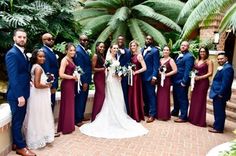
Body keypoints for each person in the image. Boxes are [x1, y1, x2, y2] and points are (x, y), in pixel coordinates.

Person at [79, 44, 148, 139]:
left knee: (118, 97)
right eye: (114, 48)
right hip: (111, 81)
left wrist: (120, 73)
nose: (115, 49)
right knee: (112, 97)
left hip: (117, 80)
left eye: (116, 48)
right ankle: (112, 117)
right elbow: (106, 70)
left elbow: (115, 69)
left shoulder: (115, 57)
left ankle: (119, 115)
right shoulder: (108, 57)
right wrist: (113, 73)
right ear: (110, 49)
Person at [5, 28, 36, 156]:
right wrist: (19, 96)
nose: (22, 39)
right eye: (19, 37)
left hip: (24, 90)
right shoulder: (12, 53)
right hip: (17, 94)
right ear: (14, 38)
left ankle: (16, 143)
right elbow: (13, 77)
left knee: (20, 120)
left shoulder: (22, 52)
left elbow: (22, 72)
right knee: (18, 121)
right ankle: (21, 148)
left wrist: (28, 80)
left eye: (24, 37)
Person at [23, 49, 54, 149]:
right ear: (35, 57)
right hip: (39, 95)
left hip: (36, 94)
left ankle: (37, 136)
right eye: (40, 56)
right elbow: (37, 85)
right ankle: (37, 138)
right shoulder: (38, 68)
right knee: (39, 116)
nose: (43, 58)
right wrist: (47, 85)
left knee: (36, 116)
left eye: (44, 56)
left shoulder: (34, 66)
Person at [208, 53, 234, 133]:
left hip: (220, 94)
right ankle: (217, 124)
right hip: (217, 92)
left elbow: (226, 83)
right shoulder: (224, 67)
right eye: (218, 59)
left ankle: (218, 128)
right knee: (217, 110)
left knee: (220, 111)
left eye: (221, 58)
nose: (219, 60)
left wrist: (220, 93)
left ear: (226, 58)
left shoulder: (228, 68)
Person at [189, 47, 213, 127]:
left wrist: (200, 77)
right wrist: (192, 75)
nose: (202, 53)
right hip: (195, 82)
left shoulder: (209, 62)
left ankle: (199, 120)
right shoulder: (196, 60)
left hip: (203, 83)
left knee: (200, 100)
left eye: (204, 52)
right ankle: (192, 118)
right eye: (201, 51)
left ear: (206, 52)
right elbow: (193, 70)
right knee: (194, 99)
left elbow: (210, 73)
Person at [171, 41, 194, 122]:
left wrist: (184, 81)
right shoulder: (178, 55)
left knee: (183, 98)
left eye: (185, 45)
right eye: (182, 45)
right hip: (175, 80)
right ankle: (175, 111)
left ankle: (183, 116)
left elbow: (187, 71)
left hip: (181, 81)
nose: (183, 46)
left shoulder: (189, 57)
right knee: (176, 97)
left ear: (188, 47)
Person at [57, 43, 77, 134]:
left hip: (71, 84)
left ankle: (68, 125)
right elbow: (61, 74)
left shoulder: (71, 59)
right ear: (66, 51)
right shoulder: (64, 60)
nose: (72, 52)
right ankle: (66, 127)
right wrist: (72, 77)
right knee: (67, 104)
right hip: (67, 84)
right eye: (70, 50)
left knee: (70, 104)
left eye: (74, 50)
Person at [74, 35, 92, 127]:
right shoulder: (79, 51)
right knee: (80, 99)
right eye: (83, 40)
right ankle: (77, 119)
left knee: (84, 98)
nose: (85, 41)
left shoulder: (83, 50)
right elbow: (80, 68)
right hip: (82, 80)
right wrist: (84, 81)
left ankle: (81, 115)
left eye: (86, 40)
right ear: (79, 40)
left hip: (87, 79)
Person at [141, 35, 159, 123]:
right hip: (142, 77)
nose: (148, 40)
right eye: (147, 39)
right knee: (145, 96)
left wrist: (154, 77)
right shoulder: (141, 50)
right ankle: (146, 111)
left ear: (152, 41)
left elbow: (156, 65)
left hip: (150, 77)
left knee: (151, 96)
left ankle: (152, 115)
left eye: (150, 39)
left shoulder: (155, 51)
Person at [156, 46, 177, 121]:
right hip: (159, 80)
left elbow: (175, 70)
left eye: (167, 50)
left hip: (166, 80)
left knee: (165, 97)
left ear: (169, 52)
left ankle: (164, 115)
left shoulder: (171, 60)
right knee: (159, 96)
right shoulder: (160, 59)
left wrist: (166, 75)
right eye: (164, 50)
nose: (165, 51)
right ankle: (159, 114)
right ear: (162, 51)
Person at [128, 40, 147, 122]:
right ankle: (131, 113)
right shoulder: (130, 56)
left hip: (136, 78)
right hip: (130, 77)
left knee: (135, 94)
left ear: (137, 46)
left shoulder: (139, 56)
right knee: (131, 94)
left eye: (134, 46)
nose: (132, 47)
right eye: (131, 46)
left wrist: (136, 72)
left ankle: (136, 115)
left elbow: (144, 67)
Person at [41, 33, 59, 111]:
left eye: (52, 39)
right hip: (50, 84)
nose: (51, 40)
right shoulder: (44, 51)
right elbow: (47, 71)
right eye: (49, 39)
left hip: (53, 82)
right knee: (49, 105)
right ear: (43, 41)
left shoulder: (50, 51)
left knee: (52, 104)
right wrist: (52, 85)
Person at [91, 42, 106, 121]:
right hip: (98, 78)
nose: (102, 48)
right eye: (100, 47)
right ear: (97, 47)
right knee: (100, 96)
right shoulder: (95, 56)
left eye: (103, 47)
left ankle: (100, 115)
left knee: (102, 96)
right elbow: (93, 69)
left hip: (103, 77)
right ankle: (95, 116)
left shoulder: (101, 56)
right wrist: (103, 69)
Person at [116, 35, 131, 113]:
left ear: (124, 41)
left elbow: (128, 63)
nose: (120, 41)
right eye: (119, 39)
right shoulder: (114, 50)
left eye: (122, 40)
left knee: (124, 93)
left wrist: (121, 72)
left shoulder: (128, 51)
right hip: (114, 77)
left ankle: (125, 111)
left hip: (123, 76)